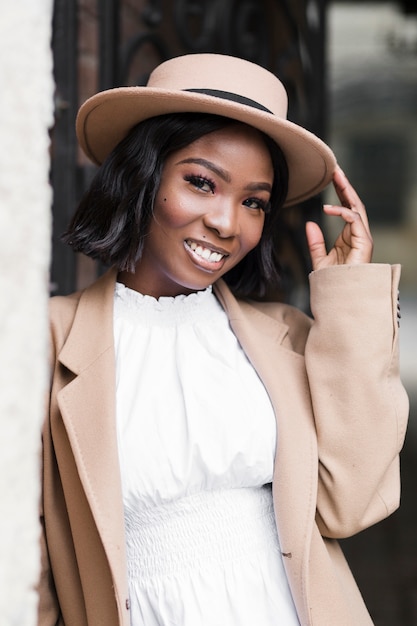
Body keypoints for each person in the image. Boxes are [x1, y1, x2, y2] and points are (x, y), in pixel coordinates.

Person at [38, 53, 409, 626]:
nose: (227, 223)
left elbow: (351, 501)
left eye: (253, 201)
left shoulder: (284, 336)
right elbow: (28, 562)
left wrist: (349, 295)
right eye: (201, 183)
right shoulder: (47, 343)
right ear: (143, 175)